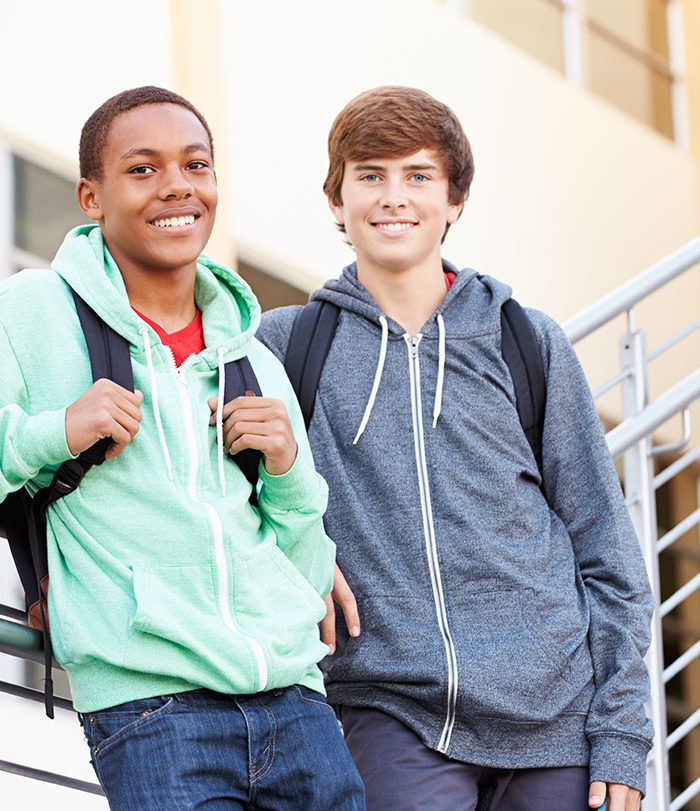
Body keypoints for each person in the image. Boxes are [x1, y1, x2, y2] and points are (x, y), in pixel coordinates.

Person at [256, 86, 654, 811]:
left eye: (417, 176)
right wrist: (299, 551)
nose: (392, 198)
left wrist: (622, 732)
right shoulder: (288, 347)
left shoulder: (526, 342)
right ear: (336, 201)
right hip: (390, 707)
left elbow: (607, 550)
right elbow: (225, 504)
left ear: (455, 199)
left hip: (553, 719)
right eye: (369, 176)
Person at [0, 86, 364, 810]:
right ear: (90, 196)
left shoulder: (252, 355)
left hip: (295, 703)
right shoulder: (34, 309)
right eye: (142, 169)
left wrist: (288, 471)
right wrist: (59, 430)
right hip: (153, 708)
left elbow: (304, 556)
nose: (177, 186)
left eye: (196, 165)